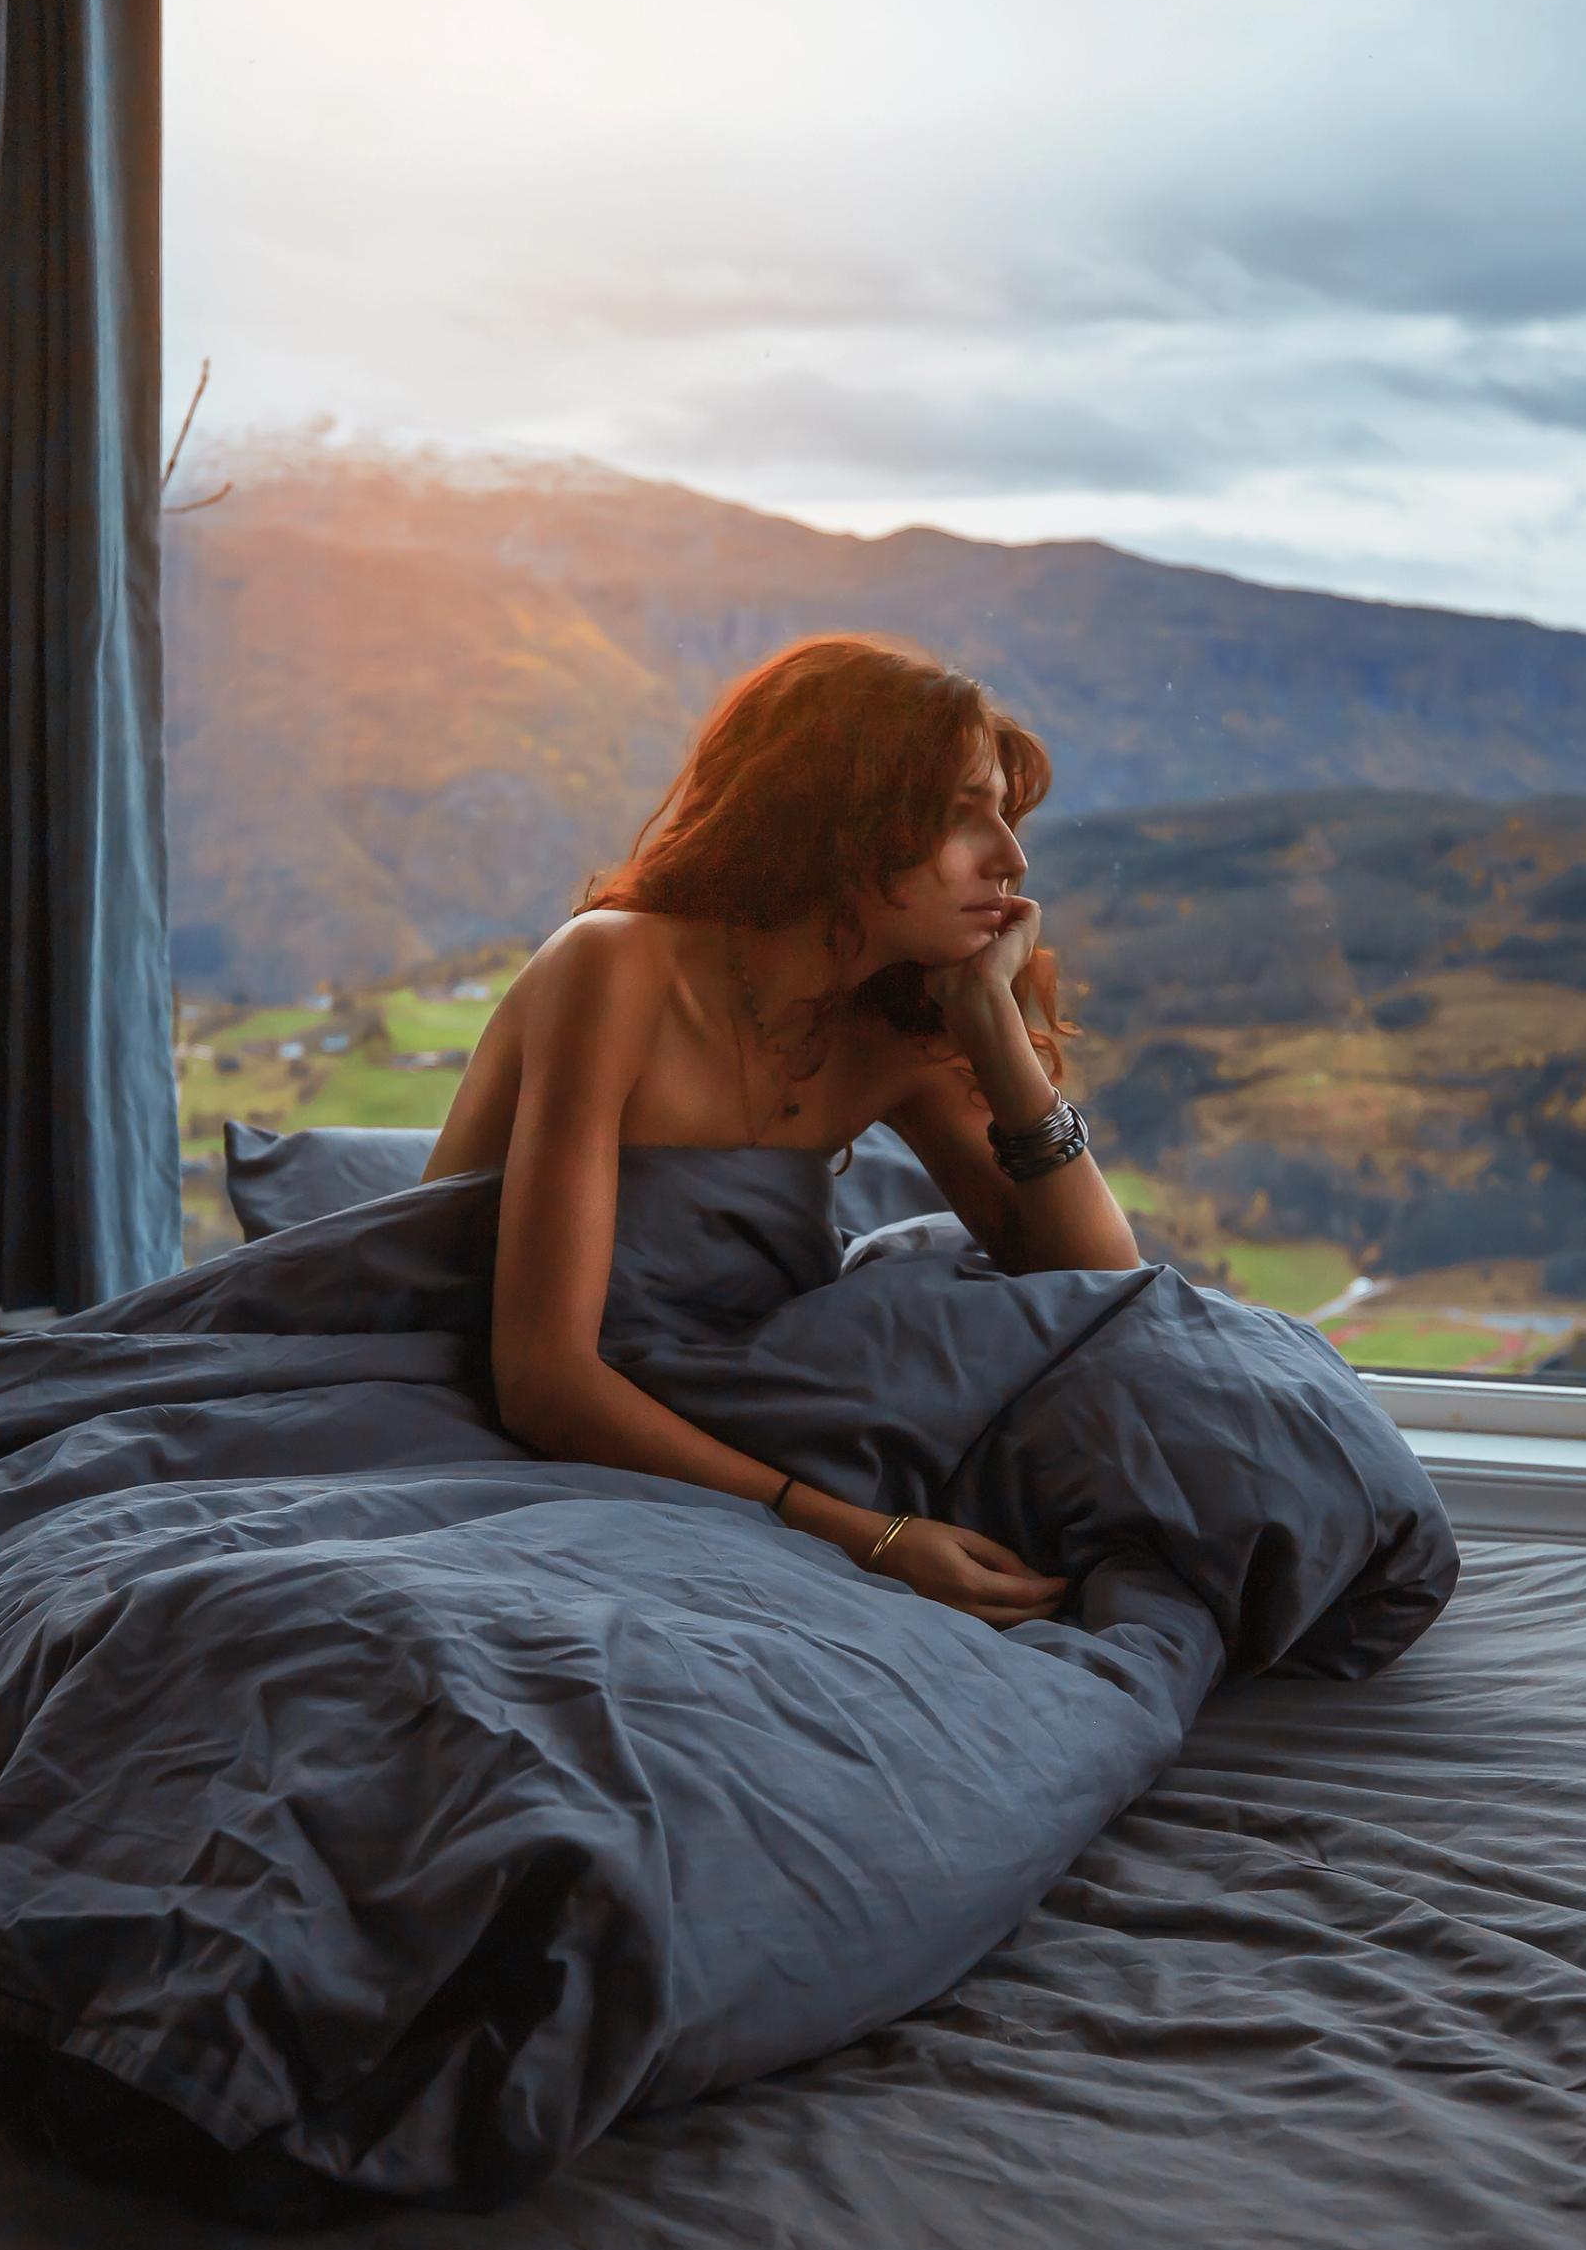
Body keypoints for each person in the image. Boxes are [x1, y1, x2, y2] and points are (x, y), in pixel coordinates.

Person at [426, 635, 1143, 1627]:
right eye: (958, 813)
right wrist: (870, 1540)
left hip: (731, 1417)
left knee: (1183, 1382)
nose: (1011, 858)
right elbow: (543, 1379)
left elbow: (1104, 1286)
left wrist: (997, 1035)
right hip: (492, 1415)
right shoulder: (617, 970)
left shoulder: (897, 1024)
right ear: (841, 825)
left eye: (1004, 814)